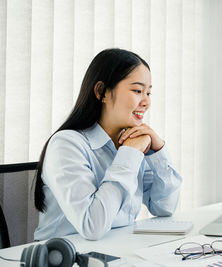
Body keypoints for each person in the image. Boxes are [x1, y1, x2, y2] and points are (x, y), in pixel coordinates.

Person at [33, 48, 182, 241]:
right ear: (102, 92)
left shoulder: (130, 142)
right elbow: (92, 226)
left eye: (148, 93)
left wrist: (158, 149)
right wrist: (129, 154)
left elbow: (165, 207)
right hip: (63, 256)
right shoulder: (66, 144)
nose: (146, 102)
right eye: (137, 91)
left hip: (117, 248)